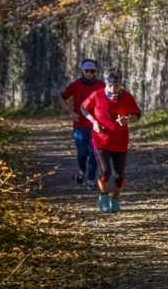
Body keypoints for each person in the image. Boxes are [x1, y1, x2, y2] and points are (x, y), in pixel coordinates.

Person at [81, 67, 142, 213]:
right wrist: (93, 122)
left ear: (121, 84)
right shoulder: (97, 95)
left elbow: (137, 114)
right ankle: (103, 195)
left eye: (116, 85)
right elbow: (83, 108)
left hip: (120, 142)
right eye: (110, 85)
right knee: (105, 171)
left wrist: (128, 119)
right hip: (101, 140)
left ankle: (115, 199)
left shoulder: (127, 97)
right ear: (105, 84)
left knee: (119, 175)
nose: (113, 88)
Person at [60, 59, 104, 187]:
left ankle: (90, 180)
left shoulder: (102, 85)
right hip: (79, 125)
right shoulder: (76, 85)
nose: (89, 73)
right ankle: (81, 171)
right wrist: (71, 112)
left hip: (95, 125)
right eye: (86, 71)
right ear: (82, 71)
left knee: (94, 153)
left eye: (92, 71)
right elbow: (62, 98)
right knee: (82, 153)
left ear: (95, 71)